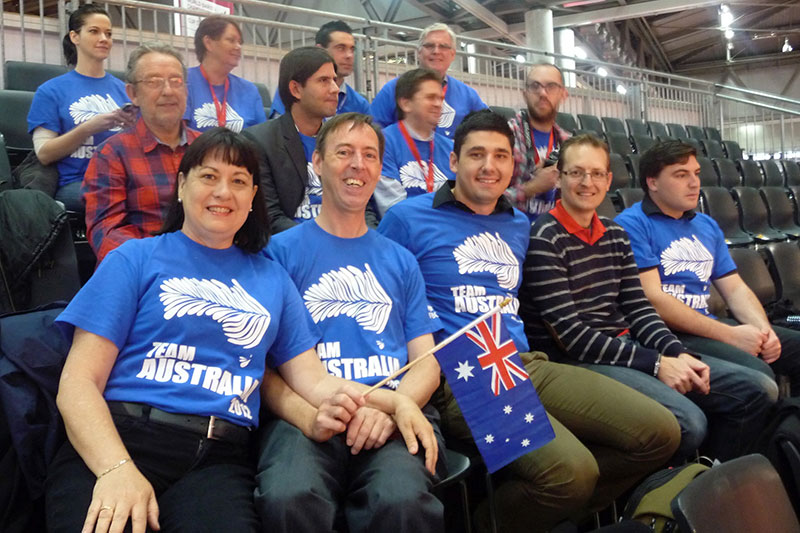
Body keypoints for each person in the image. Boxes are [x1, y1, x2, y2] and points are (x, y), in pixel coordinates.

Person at [45, 128, 370, 533]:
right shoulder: (134, 259)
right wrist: (117, 469)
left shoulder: (274, 279)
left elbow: (313, 380)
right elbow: (77, 383)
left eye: (238, 181)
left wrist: (375, 403)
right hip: (122, 438)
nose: (223, 192)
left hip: (217, 461)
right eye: (209, 176)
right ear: (182, 185)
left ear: (253, 197)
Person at [379, 111, 680, 532]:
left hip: (525, 361)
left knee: (661, 432)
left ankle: (547, 512)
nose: (489, 166)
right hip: (461, 373)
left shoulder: (519, 223)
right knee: (571, 474)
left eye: (501, 155)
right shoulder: (406, 218)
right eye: (477, 154)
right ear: (454, 161)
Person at [520, 134, 776, 462]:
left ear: (609, 179)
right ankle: (664, 496)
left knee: (755, 391)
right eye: (576, 173)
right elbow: (573, 338)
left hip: (628, 347)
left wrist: (678, 353)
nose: (588, 182)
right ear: (559, 177)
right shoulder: (544, 237)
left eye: (597, 173)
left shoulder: (614, 234)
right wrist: (656, 364)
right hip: (581, 362)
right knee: (688, 423)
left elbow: (639, 308)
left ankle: (716, 485)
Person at [256, 112, 444, 532]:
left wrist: (393, 410)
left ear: (380, 168)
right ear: (317, 164)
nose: (358, 164)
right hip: (306, 417)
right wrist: (308, 415)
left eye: (370, 155)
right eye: (344, 152)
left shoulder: (401, 260)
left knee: (401, 503)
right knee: (289, 497)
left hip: (393, 412)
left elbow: (426, 362)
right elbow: (263, 370)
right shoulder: (278, 254)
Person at [615, 140, 800, 394]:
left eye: (696, 174)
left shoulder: (706, 225)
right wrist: (730, 335)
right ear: (653, 182)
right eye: (681, 175)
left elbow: (734, 289)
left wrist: (763, 331)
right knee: (759, 376)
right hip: (667, 334)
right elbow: (654, 300)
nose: (694, 183)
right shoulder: (631, 224)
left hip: (708, 325)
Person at [83, 43, 201, 264]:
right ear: (133, 94)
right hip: (146, 270)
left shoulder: (208, 148)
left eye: (176, 81)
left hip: (210, 262)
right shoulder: (111, 154)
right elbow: (106, 232)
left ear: (185, 90)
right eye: (154, 82)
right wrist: (164, 260)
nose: (168, 91)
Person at [243, 47, 377, 233]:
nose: (335, 89)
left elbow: (366, 209)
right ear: (296, 89)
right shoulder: (259, 141)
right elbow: (270, 217)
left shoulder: (342, 141)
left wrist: (367, 238)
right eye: (323, 81)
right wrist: (321, 242)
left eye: (334, 80)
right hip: (290, 249)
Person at [27, 3, 136, 212]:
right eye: (94, 31)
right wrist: (89, 127)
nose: (104, 39)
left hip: (124, 177)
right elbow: (44, 153)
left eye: (108, 33)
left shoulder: (124, 90)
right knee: (123, 199)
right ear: (75, 37)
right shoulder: (50, 91)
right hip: (78, 182)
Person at [370, 23, 487, 139]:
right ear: (419, 52)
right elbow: (372, 132)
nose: (436, 51)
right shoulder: (393, 89)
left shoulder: (468, 95)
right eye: (429, 46)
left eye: (443, 46)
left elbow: (490, 127)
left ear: (452, 54)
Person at [379, 68, 454, 211]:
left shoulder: (450, 147)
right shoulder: (383, 142)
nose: (439, 104)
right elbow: (393, 208)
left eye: (441, 99)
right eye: (430, 97)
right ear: (405, 104)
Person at [506, 63, 572, 221]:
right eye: (535, 86)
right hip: (512, 236)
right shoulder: (505, 136)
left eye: (551, 86)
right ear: (525, 94)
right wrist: (532, 187)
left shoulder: (568, 144)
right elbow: (484, 198)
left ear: (563, 94)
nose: (542, 93)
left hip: (554, 237)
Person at [268, 20, 370, 118]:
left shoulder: (360, 104)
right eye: (340, 48)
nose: (349, 55)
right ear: (320, 50)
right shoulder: (296, 90)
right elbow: (279, 130)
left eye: (352, 49)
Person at [184, 15, 266, 132]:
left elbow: (261, 137)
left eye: (240, 42)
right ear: (208, 43)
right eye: (231, 40)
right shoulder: (183, 82)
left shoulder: (249, 90)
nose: (238, 47)